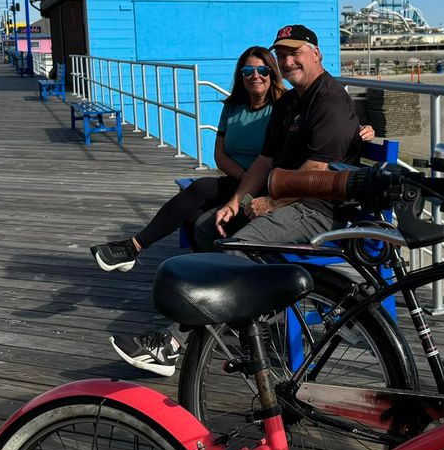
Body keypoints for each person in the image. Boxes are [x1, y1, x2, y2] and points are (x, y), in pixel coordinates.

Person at [111, 25, 372, 375]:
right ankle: (245, 312)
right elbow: (265, 161)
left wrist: (271, 203)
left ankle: (173, 343)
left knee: (238, 244)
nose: (287, 61)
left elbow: (317, 173)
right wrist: (237, 199)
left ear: (316, 53)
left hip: (317, 207)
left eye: (294, 52)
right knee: (207, 227)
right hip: (289, 198)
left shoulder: (329, 101)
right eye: (281, 55)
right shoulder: (292, 101)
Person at [90, 46, 288, 273]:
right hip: (238, 178)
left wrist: (252, 182)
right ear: (240, 75)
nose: (256, 76)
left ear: (272, 73)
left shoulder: (281, 108)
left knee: (200, 196)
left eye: (263, 70)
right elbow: (219, 155)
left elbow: (277, 160)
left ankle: (133, 247)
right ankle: (205, 270)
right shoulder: (233, 107)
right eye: (248, 71)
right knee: (193, 211)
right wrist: (244, 177)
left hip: (264, 187)